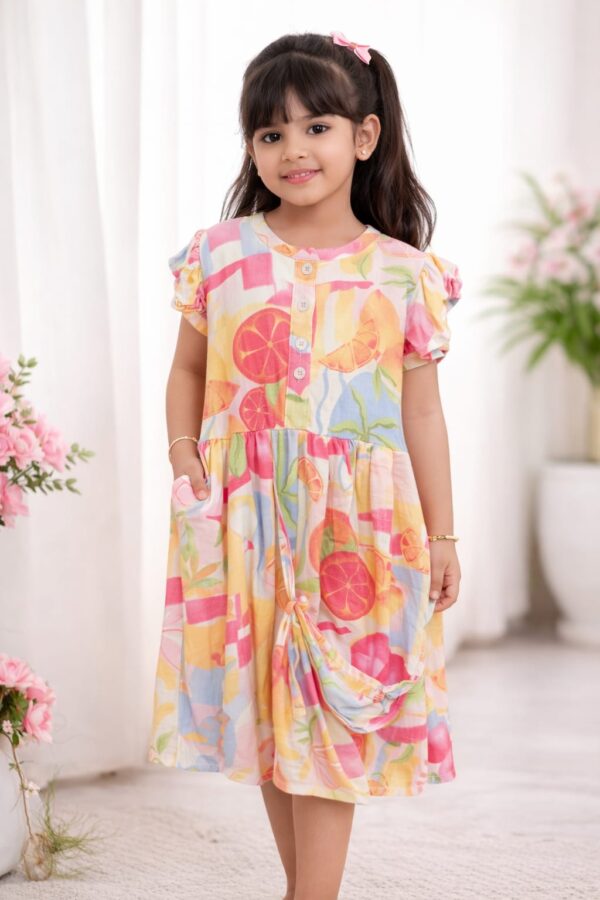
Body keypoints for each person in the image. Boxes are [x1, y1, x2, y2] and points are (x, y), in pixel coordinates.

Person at [148, 29, 463, 900]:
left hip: (355, 528)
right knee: (271, 710)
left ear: (364, 136)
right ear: (251, 147)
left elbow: (423, 412)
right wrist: (184, 455)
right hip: (243, 516)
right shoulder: (219, 254)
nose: (293, 149)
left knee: (330, 713)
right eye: (270, 133)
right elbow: (187, 371)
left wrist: (444, 535)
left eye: (316, 127)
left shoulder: (405, 274)